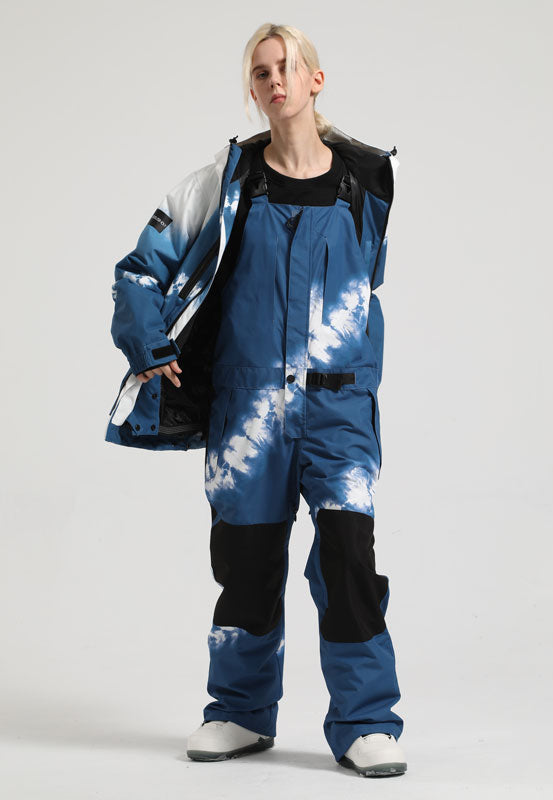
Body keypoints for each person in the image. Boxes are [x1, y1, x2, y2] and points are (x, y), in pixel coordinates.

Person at [106, 22, 406, 778]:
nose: (275, 81)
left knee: (348, 556)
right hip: (248, 412)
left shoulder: (369, 179)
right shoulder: (226, 181)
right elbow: (140, 268)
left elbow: (367, 284)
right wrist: (150, 345)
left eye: (287, 67)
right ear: (253, 89)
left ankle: (366, 721)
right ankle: (239, 712)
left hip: (339, 408)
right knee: (245, 563)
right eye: (261, 72)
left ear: (315, 80)